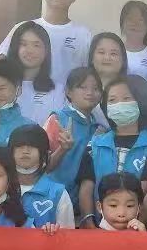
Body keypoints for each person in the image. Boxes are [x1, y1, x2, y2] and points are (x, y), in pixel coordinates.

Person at [77, 77, 147, 227]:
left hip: (138, 228)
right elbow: (86, 187)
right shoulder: (95, 144)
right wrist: (89, 223)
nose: (119, 105)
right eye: (112, 100)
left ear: (141, 102)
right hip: (98, 228)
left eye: (126, 98)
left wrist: (137, 226)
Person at [0, 0, 91, 86]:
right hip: (25, 95)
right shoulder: (24, 28)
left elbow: (89, 71)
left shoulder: (83, 34)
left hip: (67, 96)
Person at [44, 66, 105, 205]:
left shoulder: (99, 128)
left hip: (86, 204)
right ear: (68, 91)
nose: (90, 92)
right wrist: (62, 149)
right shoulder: (57, 120)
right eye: (82, 87)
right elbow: (42, 166)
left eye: (96, 88)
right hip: (56, 201)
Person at [10, 125, 74, 229]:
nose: (25, 150)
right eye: (19, 145)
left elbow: (67, 235)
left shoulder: (58, 193)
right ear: (10, 152)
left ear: (45, 154)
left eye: (32, 145)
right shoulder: (0, 189)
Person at [4, 21, 64, 124]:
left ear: (46, 51)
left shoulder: (58, 91)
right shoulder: (2, 86)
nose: (29, 50)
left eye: (36, 45)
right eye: (23, 44)